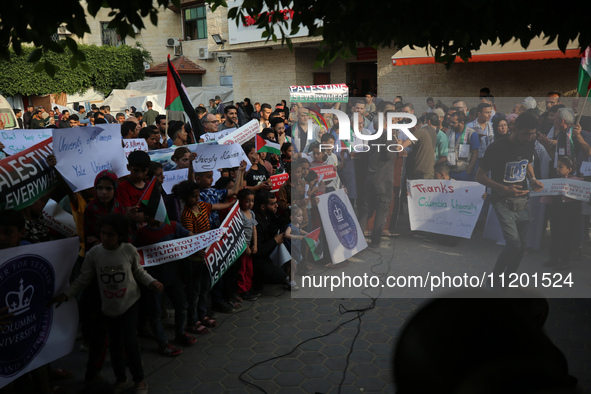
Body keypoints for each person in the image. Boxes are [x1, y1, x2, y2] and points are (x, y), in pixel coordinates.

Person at [51, 214, 163, 394]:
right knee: (115, 345)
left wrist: (151, 281)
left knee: (130, 343)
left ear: (119, 235)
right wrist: (67, 294)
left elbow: (138, 271)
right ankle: (121, 379)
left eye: (110, 234)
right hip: (109, 306)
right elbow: (83, 279)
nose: (105, 238)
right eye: (103, 233)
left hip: (130, 302)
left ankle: (139, 380)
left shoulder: (128, 250)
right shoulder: (94, 253)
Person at [475, 112, 544, 278]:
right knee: (513, 244)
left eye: (532, 133)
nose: (529, 137)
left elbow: (527, 163)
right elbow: (480, 176)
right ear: (514, 129)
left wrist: (533, 178)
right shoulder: (497, 148)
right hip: (502, 201)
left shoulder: (530, 143)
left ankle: (508, 278)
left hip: (522, 200)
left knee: (521, 247)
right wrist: (504, 189)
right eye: (525, 134)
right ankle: (496, 278)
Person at [541, 156, 581, 270]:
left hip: (569, 212)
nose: (557, 169)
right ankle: (553, 257)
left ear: (569, 169)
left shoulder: (577, 182)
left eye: (561, 167)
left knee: (567, 235)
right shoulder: (555, 180)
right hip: (556, 210)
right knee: (555, 234)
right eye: (557, 166)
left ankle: (564, 260)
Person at [236, 189, 259, 300]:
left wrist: (255, 245)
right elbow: (239, 232)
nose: (250, 204)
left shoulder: (252, 213)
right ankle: (242, 290)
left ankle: (248, 288)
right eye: (247, 201)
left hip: (249, 247)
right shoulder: (239, 214)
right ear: (240, 201)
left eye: (252, 201)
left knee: (249, 269)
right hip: (242, 248)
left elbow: (254, 229)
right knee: (242, 269)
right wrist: (245, 246)